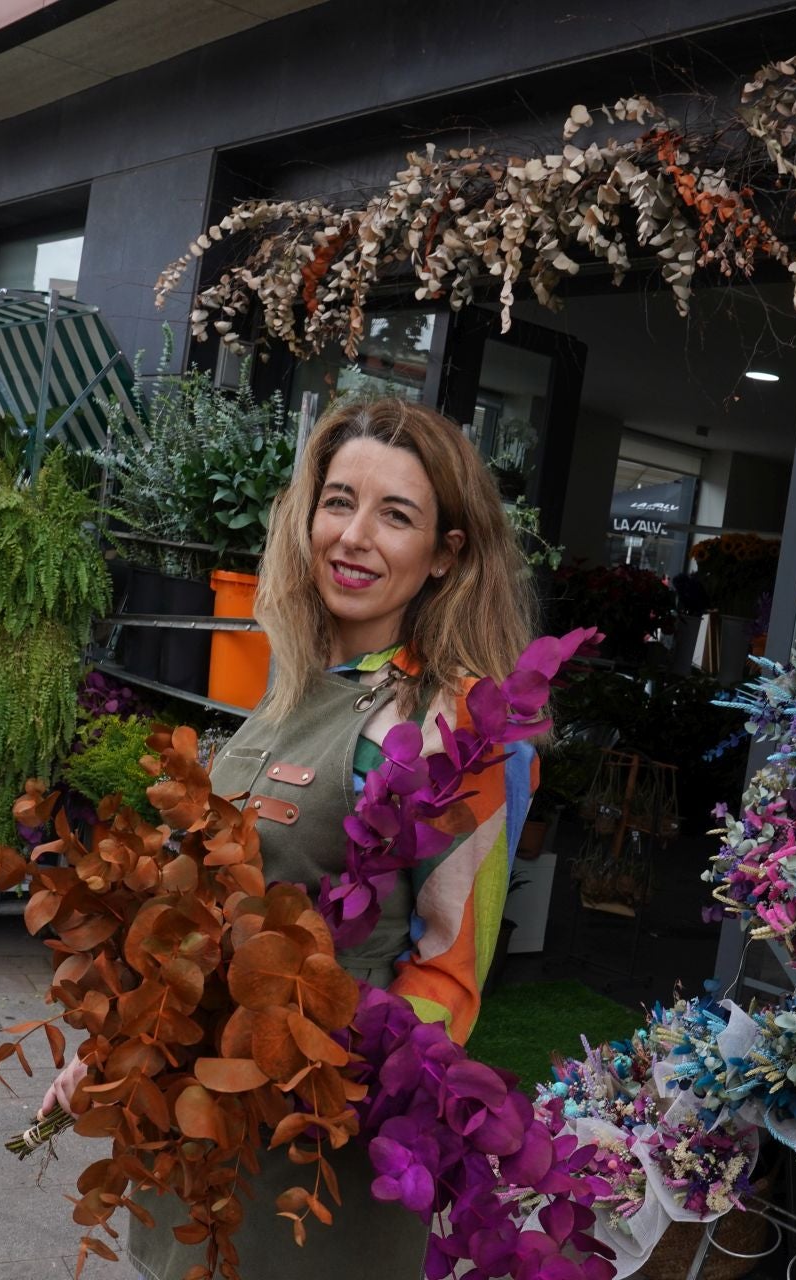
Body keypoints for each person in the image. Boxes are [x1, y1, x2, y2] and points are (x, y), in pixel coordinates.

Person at [39, 398, 540, 1280]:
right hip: (199, 1140)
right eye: (339, 501)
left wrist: (324, 1084)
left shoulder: (452, 729)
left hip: (314, 1169)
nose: (353, 536)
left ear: (445, 555)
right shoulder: (291, 689)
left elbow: (447, 973)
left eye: (397, 515)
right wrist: (117, 1046)